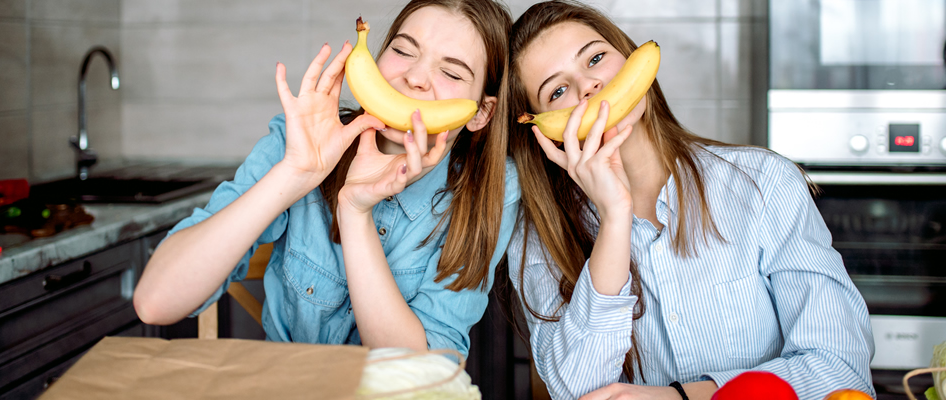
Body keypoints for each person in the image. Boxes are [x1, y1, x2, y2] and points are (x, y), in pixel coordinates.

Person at [504, 1, 874, 399]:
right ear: (543, 130)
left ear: (630, 59)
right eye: (558, 90)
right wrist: (615, 218)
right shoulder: (538, 235)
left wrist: (681, 397)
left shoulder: (763, 183)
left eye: (595, 58)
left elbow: (840, 369)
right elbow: (574, 389)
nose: (588, 87)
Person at [133, 0, 518, 355]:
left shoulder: (494, 188)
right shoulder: (301, 139)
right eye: (402, 50)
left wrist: (354, 212)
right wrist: (296, 172)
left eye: (450, 72)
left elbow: (418, 369)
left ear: (481, 113)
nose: (415, 77)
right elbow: (155, 302)